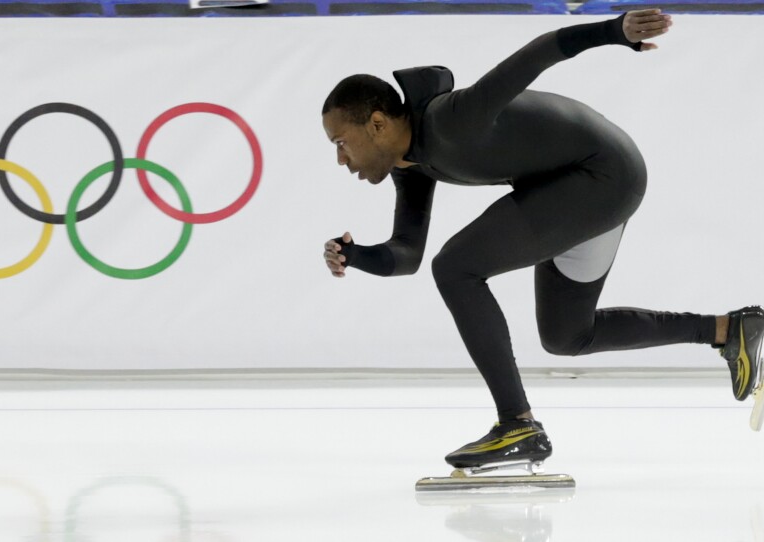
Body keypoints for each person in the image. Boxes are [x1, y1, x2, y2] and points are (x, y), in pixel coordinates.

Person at [321, 10, 764, 472]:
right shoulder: (409, 166)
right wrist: (357, 256)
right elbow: (408, 254)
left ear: (377, 124)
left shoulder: (450, 119)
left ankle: (517, 424)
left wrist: (614, 30)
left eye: (340, 143)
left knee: (455, 266)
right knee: (568, 335)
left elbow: (538, 53)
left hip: (601, 175)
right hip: (575, 183)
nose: (340, 160)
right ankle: (729, 330)